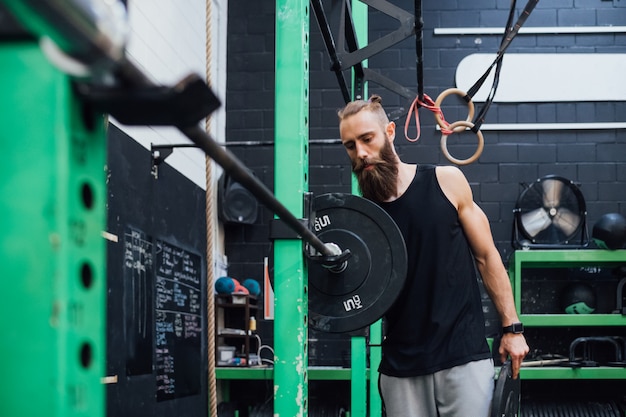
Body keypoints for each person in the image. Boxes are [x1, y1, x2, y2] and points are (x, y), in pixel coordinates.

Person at [337, 94, 529, 417]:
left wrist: (512, 329)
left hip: (462, 356)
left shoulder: (446, 181)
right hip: (401, 366)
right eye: (350, 146)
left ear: (390, 133)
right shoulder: (364, 219)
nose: (361, 153)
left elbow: (487, 256)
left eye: (367, 139)